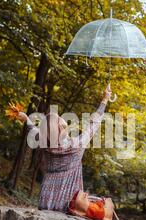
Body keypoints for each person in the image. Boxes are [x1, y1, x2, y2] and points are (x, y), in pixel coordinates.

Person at [17, 84, 112, 212]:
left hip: (46, 200)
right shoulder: (75, 146)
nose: (64, 122)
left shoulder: (44, 143)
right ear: (62, 128)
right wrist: (105, 100)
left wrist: (26, 119)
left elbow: (33, 131)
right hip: (68, 204)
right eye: (63, 122)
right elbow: (93, 125)